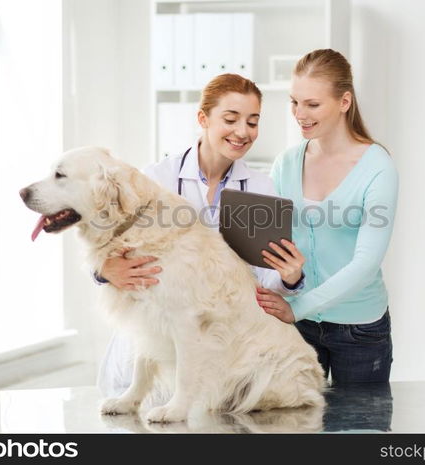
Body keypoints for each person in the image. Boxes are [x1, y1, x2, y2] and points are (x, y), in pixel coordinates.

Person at [96, 73, 306, 396]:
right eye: (231, 119)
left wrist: (289, 278)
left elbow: (264, 279)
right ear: (203, 118)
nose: (242, 132)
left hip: (217, 346)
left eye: (253, 122)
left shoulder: (262, 189)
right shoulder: (156, 178)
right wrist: (103, 271)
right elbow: (103, 241)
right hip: (153, 343)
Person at [257, 49, 399, 384]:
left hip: (360, 329)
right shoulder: (286, 163)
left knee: (359, 429)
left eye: (312, 104)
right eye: (294, 102)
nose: (299, 114)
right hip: (298, 327)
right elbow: (267, 242)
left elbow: (365, 265)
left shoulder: (378, 168)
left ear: (344, 102)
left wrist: (299, 307)